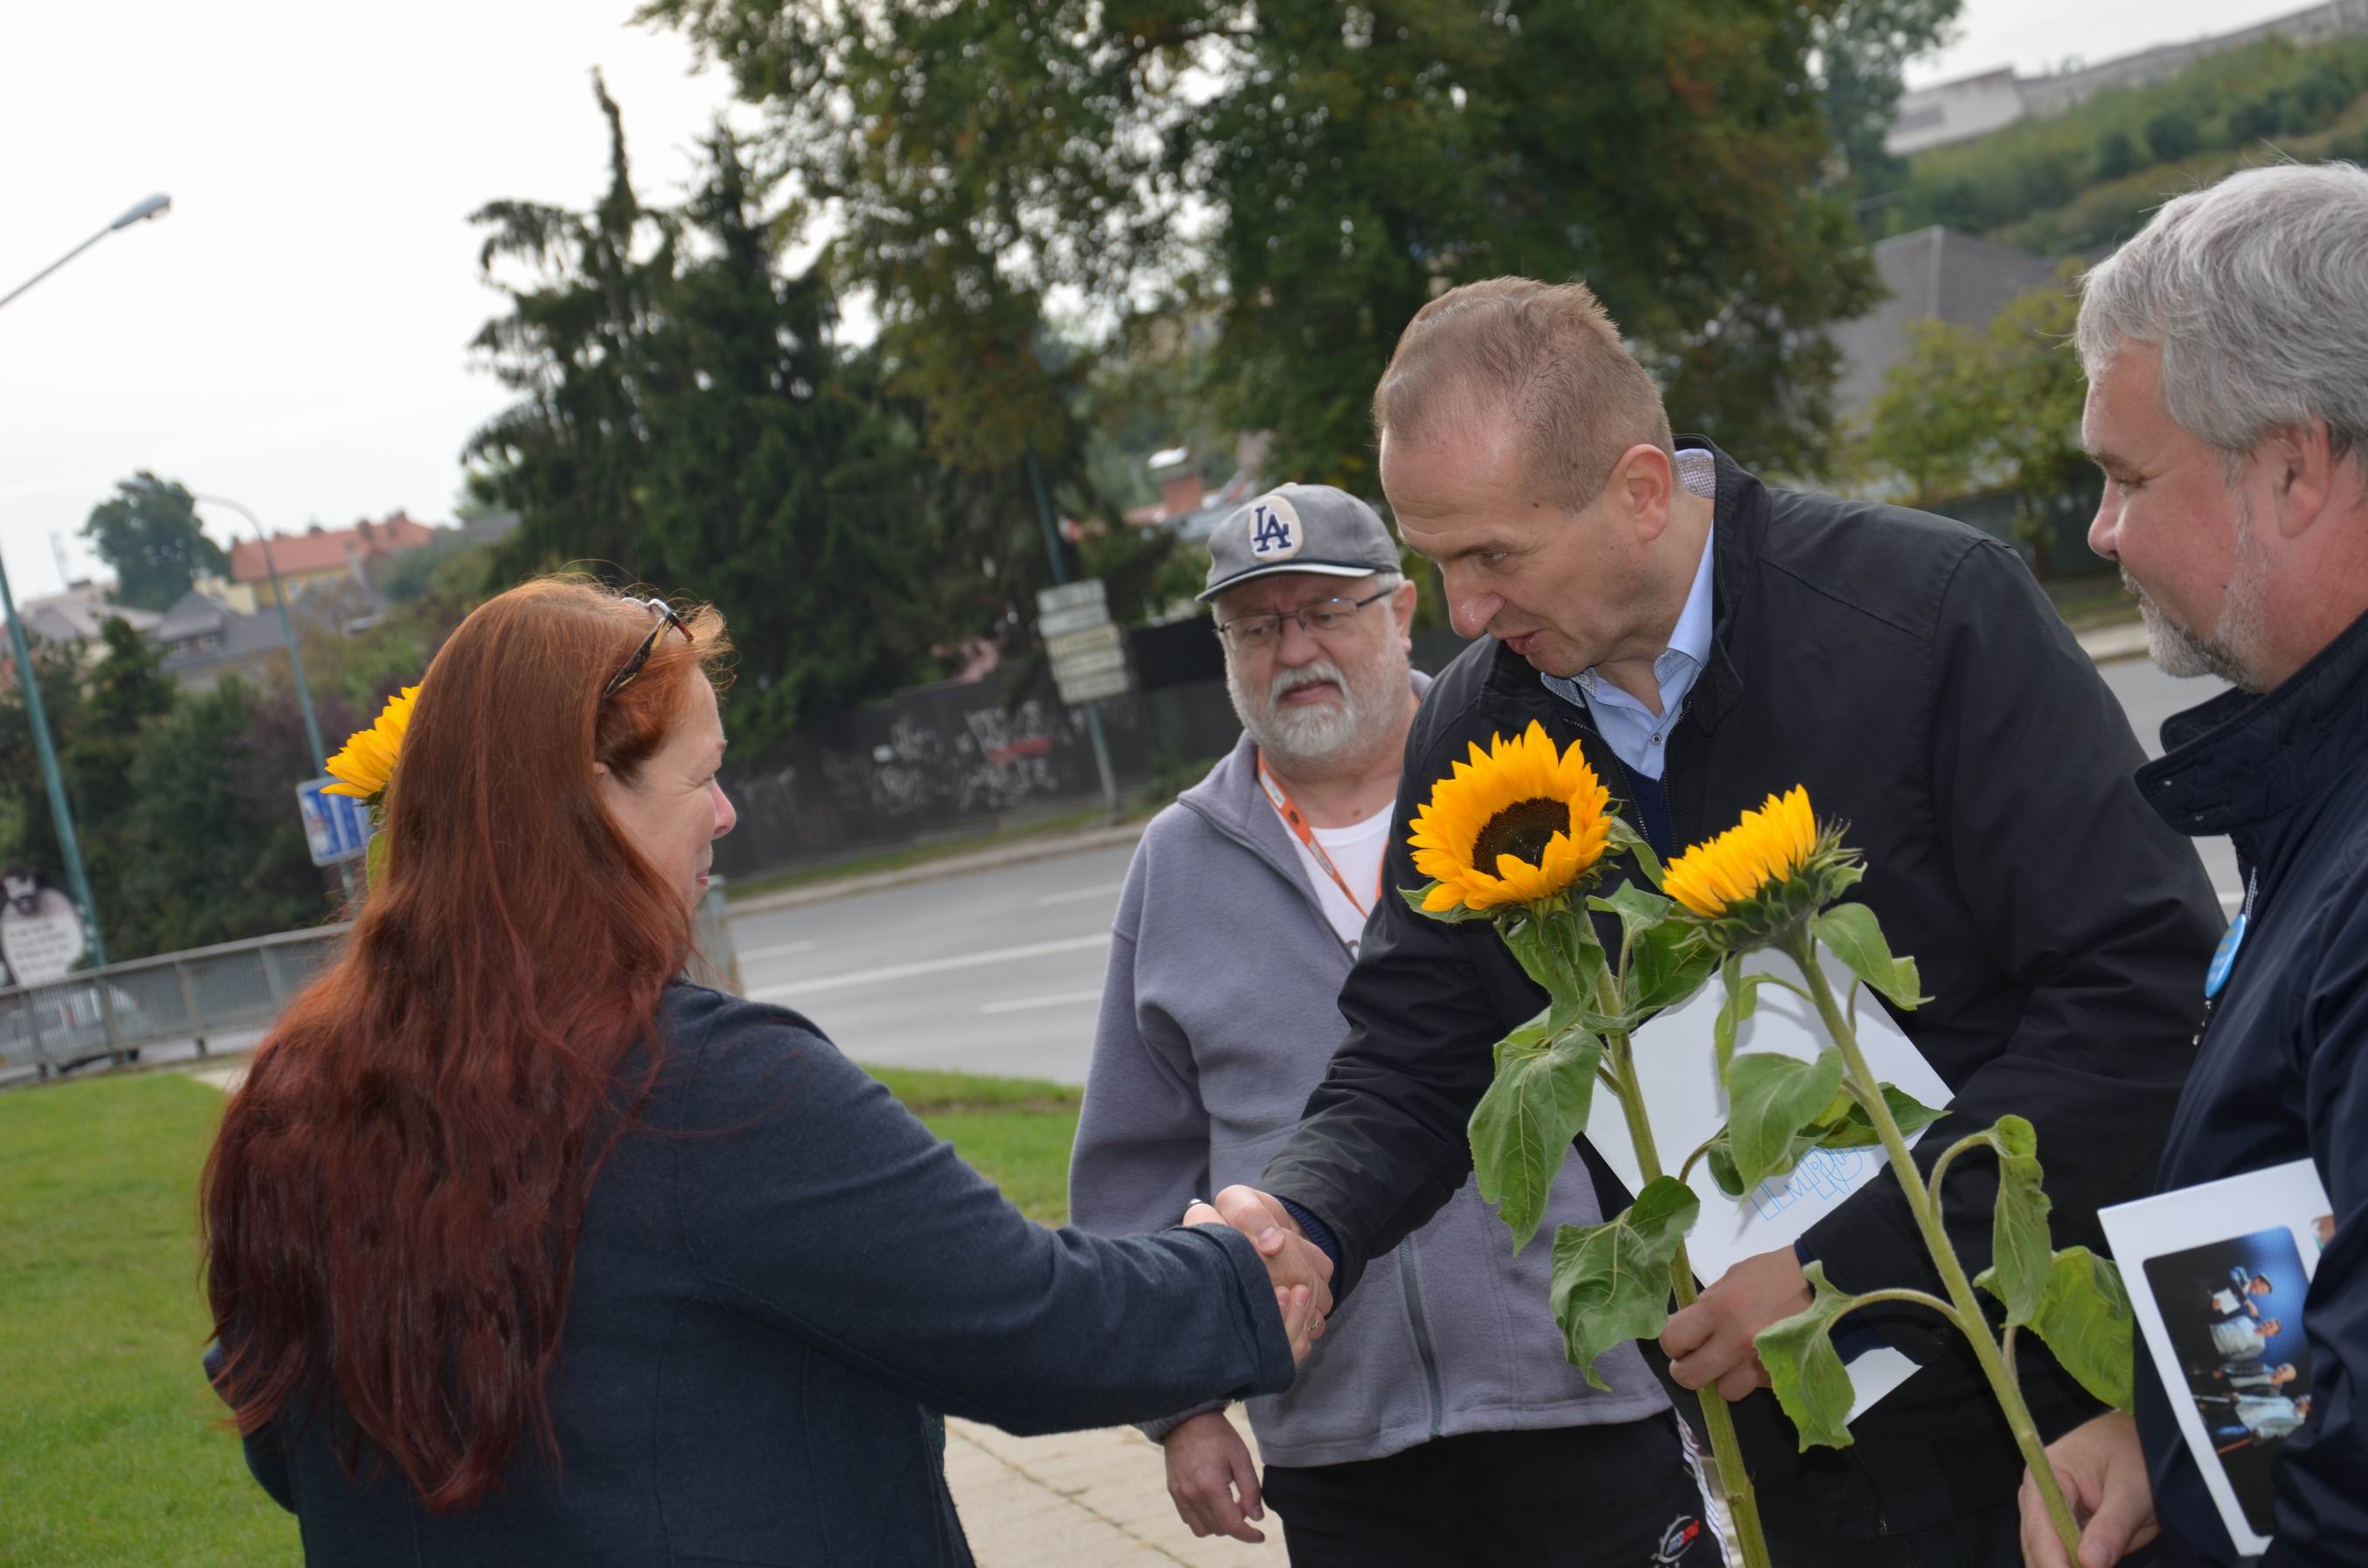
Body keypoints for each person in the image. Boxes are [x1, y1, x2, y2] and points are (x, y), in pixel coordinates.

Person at [1204, 276, 2224, 1565]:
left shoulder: (1928, 620)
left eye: (1490, 557)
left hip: (2051, 1431)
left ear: (1639, 487)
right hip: (1785, 1474)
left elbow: (2138, 999)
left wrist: (1838, 1269)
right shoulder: (1480, 730)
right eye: (1434, 560)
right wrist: (1301, 1216)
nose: (1461, 614)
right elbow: (1413, 1052)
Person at [200, 578, 1331, 1567]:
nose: (726, 814)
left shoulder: (291, 1100)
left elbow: (286, 1448)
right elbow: (1027, 1318)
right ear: (593, 798)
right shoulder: (703, 1088)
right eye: (704, 776)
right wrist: (1244, 1275)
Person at [1070, 486, 1712, 1565]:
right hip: (1340, 1452)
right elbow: (1133, 1170)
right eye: (1258, 626)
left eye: (1326, 609)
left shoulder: (1542, 778)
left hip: (1591, 1397)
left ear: (1401, 607)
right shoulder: (1176, 865)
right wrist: (1179, 1406)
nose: (1294, 649)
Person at [2019, 162, 2368, 1568]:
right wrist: (2168, 1427)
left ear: (2291, 465)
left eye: (2122, 475)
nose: (2101, 531)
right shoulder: (2318, 796)